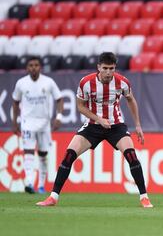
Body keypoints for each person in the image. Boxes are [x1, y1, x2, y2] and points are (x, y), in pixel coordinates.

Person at [36, 52, 153, 208]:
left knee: (131, 155)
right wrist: (98, 119)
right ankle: (53, 197)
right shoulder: (86, 82)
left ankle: (144, 198)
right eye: (105, 68)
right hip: (92, 125)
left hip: (115, 125)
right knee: (69, 155)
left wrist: (137, 125)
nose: (108, 72)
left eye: (111, 68)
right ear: (99, 67)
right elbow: (80, 106)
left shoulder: (122, 82)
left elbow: (131, 100)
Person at [12, 56, 64, 194]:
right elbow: (15, 102)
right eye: (30, 65)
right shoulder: (21, 83)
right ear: (27, 68)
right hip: (27, 122)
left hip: (44, 123)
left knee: (43, 154)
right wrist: (14, 122)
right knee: (28, 151)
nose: (33, 67)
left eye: (36, 65)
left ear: (40, 67)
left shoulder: (48, 82)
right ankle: (29, 182)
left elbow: (59, 99)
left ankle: (41, 185)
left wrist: (58, 117)